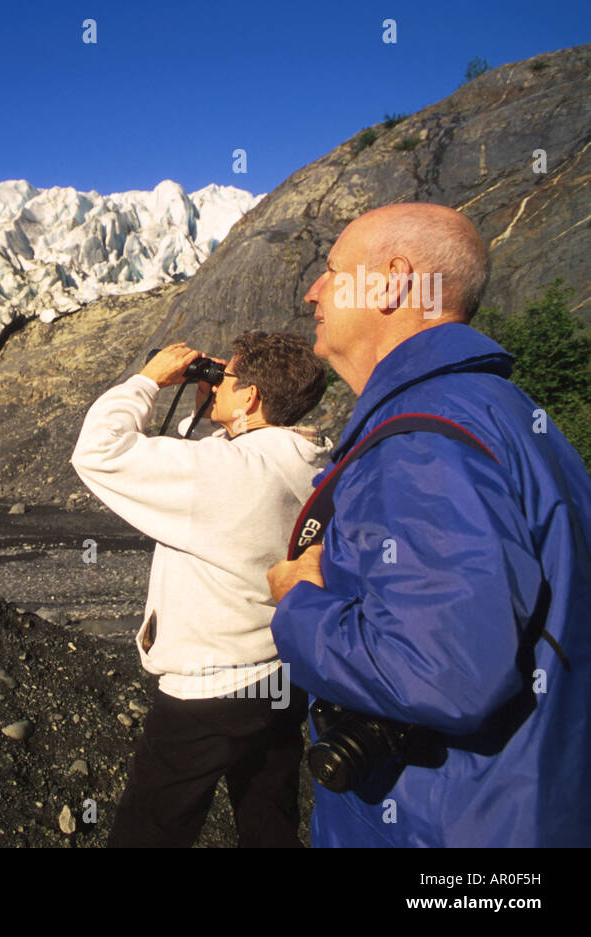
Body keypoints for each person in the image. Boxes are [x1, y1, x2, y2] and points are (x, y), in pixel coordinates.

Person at [267, 202, 591, 847]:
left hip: (443, 827)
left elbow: (440, 672)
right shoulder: (500, 412)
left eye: (331, 271)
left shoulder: (424, 440)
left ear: (390, 281)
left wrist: (298, 603)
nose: (312, 291)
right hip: (518, 805)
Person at [71, 330, 331, 847]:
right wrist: (208, 409)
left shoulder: (225, 471)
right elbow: (220, 480)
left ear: (252, 396)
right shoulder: (309, 459)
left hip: (210, 689)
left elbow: (98, 453)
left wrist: (147, 382)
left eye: (227, 378)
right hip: (279, 673)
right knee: (268, 822)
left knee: (150, 830)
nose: (218, 383)